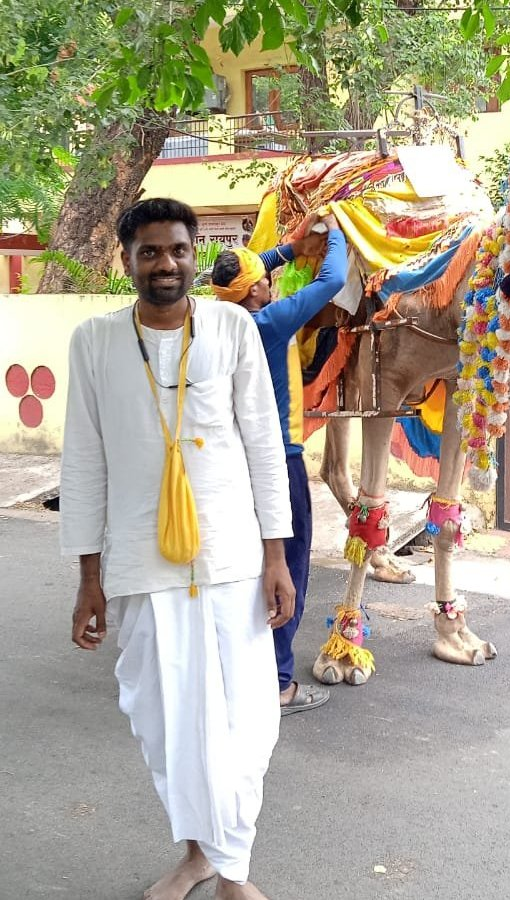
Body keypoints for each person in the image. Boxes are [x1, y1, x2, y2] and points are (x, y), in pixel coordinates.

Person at [61, 197, 294, 900]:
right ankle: (199, 856)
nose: (166, 263)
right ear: (127, 259)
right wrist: (89, 579)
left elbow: (264, 444)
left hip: (232, 558)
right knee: (169, 726)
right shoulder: (95, 341)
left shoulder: (231, 327)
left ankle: (233, 871)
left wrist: (277, 557)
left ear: (195, 256)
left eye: (178, 250)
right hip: (141, 561)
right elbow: (84, 462)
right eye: (150, 252)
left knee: (245, 721)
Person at [211, 212, 347, 714]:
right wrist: (337, 231)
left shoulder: (217, 317)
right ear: (255, 292)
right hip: (279, 463)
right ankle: (279, 683)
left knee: (244, 568)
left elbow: (256, 267)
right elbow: (333, 280)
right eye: (265, 279)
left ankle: (239, 671)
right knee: (288, 566)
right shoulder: (269, 323)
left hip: (233, 462)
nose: (272, 281)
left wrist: (290, 248)